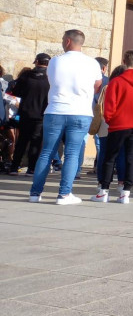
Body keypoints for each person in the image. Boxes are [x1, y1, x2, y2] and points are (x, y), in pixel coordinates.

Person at [28, 30, 103, 205]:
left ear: (68, 41)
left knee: (46, 152)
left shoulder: (55, 61)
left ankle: (35, 193)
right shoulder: (92, 63)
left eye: (63, 39)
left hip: (55, 109)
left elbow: (52, 80)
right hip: (80, 111)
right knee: (72, 153)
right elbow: (98, 85)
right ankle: (64, 194)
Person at [92, 50, 133, 204]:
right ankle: (126, 192)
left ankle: (103, 191)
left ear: (124, 61)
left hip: (119, 124)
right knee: (132, 158)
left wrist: (111, 120)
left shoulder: (116, 82)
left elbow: (109, 106)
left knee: (110, 157)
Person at [9, 53, 50, 175]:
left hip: (25, 113)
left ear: (36, 62)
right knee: (36, 142)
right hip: (42, 115)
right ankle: (31, 168)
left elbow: (16, 92)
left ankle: (14, 167)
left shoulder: (26, 76)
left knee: (22, 141)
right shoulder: (50, 77)